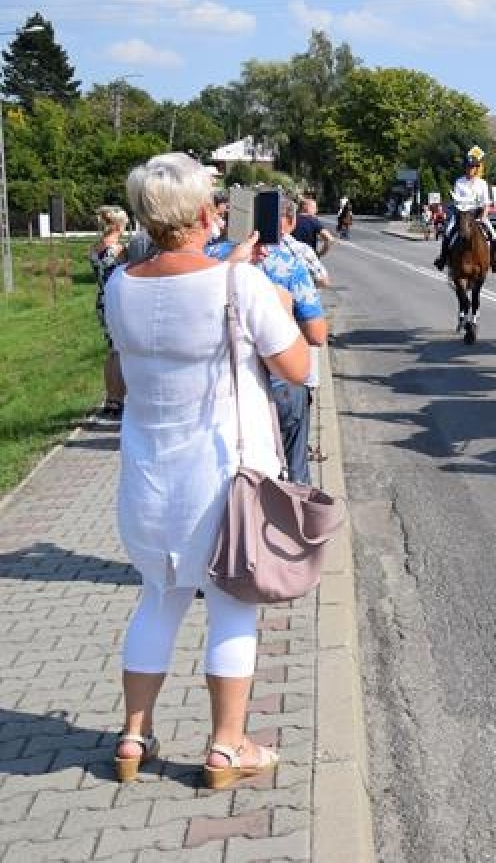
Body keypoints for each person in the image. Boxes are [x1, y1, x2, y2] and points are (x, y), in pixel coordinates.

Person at [103, 151, 310, 789]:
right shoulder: (238, 283)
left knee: (157, 600)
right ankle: (227, 748)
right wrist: (272, 296)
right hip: (224, 478)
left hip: (147, 475)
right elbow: (297, 368)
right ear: (202, 212)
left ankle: (133, 738)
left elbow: (117, 379)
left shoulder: (120, 283)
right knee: (230, 607)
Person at [209, 193, 328, 484]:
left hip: (218, 384)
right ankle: (297, 519)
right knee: (294, 466)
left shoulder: (206, 258)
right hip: (280, 380)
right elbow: (317, 334)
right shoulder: (288, 263)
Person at [433, 146, 496, 272]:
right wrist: (460, 213)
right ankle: (442, 259)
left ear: (476, 169)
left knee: (493, 234)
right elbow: (457, 201)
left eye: (473, 167)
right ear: (465, 168)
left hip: (477, 214)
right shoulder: (459, 182)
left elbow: (486, 203)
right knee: (448, 232)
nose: (470, 169)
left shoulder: (482, 183)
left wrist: (483, 217)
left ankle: (493, 260)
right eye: (468, 166)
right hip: (461, 214)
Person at [89, 205, 130, 420]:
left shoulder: (95, 248)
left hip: (102, 298)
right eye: (124, 225)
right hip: (117, 299)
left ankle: (110, 397)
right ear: (116, 225)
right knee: (119, 351)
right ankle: (117, 399)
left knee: (112, 349)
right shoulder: (118, 250)